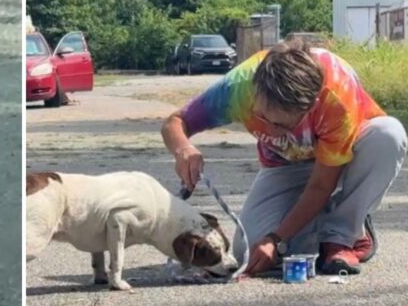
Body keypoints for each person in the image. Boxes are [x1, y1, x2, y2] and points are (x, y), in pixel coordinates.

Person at [161, 39, 406, 276]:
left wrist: (276, 239)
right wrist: (183, 150)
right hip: (285, 165)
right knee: (249, 250)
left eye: (282, 125)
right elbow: (175, 122)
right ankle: (343, 222)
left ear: (312, 105)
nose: (269, 130)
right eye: (262, 117)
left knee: (388, 134)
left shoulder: (335, 98)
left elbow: (321, 185)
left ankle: (342, 235)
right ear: (255, 90)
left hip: (345, 159)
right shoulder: (237, 88)